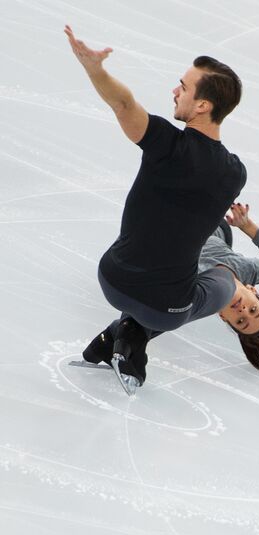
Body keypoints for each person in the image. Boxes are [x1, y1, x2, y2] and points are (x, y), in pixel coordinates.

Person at [64, 26, 248, 392]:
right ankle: (132, 334)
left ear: (202, 105)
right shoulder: (235, 174)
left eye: (184, 85)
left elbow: (123, 105)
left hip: (112, 278)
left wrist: (95, 70)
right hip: (161, 309)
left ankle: (118, 337)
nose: (175, 90)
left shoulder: (166, 143)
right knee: (226, 281)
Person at [84, 202, 259, 383]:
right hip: (209, 221)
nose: (243, 310)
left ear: (223, 316)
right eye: (253, 309)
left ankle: (122, 338)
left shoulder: (197, 297)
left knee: (171, 306)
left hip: (164, 234)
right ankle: (124, 336)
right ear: (252, 290)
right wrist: (247, 226)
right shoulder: (250, 271)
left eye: (240, 320)